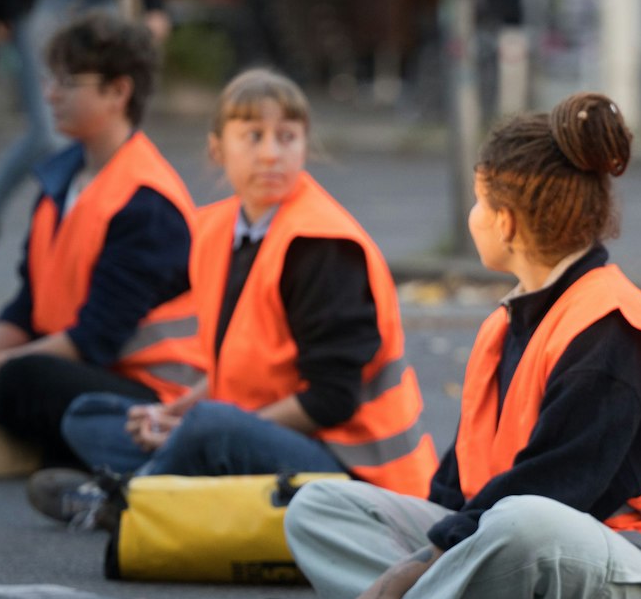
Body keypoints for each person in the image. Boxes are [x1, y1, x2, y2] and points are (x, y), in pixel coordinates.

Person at [248, 92, 641, 599]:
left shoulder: (615, 330)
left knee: (524, 522)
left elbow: (554, 495)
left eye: (480, 202)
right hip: (547, 584)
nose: (474, 217)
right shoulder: (506, 323)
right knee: (319, 508)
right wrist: (422, 554)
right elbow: (453, 500)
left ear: (507, 222)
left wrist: (402, 575)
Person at [26, 68, 436, 525]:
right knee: (91, 413)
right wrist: (172, 412)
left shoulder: (321, 244)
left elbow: (330, 401)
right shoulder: (215, 229)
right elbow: (239, 368)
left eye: (287, 137)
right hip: (254, 429)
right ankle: (164, 483)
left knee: (210, 430)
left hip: (353, 475)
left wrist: (195, 428)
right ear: (217, 149)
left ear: (305, 146)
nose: (270, 154)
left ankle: (125, 504)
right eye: (253, 136)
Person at [0, 12, 200, 477]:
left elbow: (93, 340)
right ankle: (7, 432)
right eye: (53, 80)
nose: (51, 94)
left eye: (70, 83)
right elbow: (27, 305)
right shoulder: (63, 176)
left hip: (146, 390)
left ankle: (17, 435)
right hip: (69, 356)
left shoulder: (146, 202)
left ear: (118, 92)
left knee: (17, 376)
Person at [0, 0, 172, 278]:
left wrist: (154, 2)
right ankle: (29, 240)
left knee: (110, 124)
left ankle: (85, 242)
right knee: (50, 133)